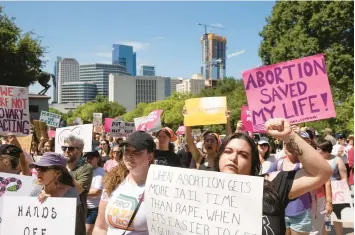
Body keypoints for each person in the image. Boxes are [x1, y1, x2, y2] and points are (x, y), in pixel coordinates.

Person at [215, 118, 332, 235]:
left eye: (243, 155)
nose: (233, 158)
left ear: (253, 163)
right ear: (219, 157)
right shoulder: (199, 191)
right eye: (228, 151)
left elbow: (322, 173)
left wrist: (289, 135)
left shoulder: (271, 186)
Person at [93, 131, 154, 235]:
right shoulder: (112, 183)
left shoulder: (159, 188)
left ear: (150, 156)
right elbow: (100, 227)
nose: (130, 155)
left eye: (137, 152)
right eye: (127, 151)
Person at [29, 152, 86, 235]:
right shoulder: (35, 191)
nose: (39, 172)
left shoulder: (71, 193)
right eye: (38, 168)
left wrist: (52, 203)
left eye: (44, 169)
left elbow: (73, 225)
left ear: (57, 173)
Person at [317, 140, 348, 235]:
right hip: (321, 192)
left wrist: (343, 194)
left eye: (319, 149)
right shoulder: (317, 159)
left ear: (326, 151)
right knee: (325, 217)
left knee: (336, 216)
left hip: (335, 192)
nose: (317, 151)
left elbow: (344, 178)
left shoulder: (337, 160)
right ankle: (325, 233)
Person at [62, 134, 94, 219]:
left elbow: (78, 190)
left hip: (76, 214)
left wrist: (63, 171)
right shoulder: (59, 165)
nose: (67, 151)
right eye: (64, 148)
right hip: (58, 210)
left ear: (80, 151)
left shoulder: (86, 167)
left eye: (71, 148)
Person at [85, 151, 105, 235]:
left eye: (90, 158)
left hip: (93, 209)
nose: (87, 160)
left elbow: (96, 191)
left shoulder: (100, 171)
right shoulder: (86, 171)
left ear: (97, 158)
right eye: (86, 158)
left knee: (87, 232)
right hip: (84, 207)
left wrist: (81, 193)